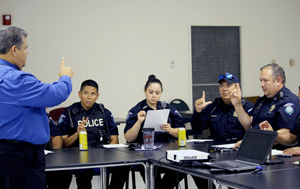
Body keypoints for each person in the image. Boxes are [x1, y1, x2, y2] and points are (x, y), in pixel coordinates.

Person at [0, 26, 73, 189]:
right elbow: (55, 94)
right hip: (20, 157)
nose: (27, 53)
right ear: (14, 50)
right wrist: (65, 77)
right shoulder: (16, 79)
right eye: (25, 48)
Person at [57, 79, 128, 189]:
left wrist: (107, 153)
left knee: (123, 166)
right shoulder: (69, 113)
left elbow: (114, 139)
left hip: (101, 155)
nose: (89, 97)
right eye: (86, 93)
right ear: (80, 94)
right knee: (84, 171)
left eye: (93, 94)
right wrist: (77, 134)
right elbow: (62, 144)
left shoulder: (104, 113)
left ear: (97, 96)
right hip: (78, 157)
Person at [124, 74, 186, 189]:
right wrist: (138, 122)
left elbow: (182, 132)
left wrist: (170, 130)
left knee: (184, 166)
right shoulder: (137, 110)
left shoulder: (167, 108)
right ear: (144, 91)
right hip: (144, 155)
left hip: (166, 152)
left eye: (157, 93)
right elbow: (129, 138)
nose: (154, 96)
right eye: (151, 92)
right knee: (152, 174)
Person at [232, 63, 300, 150]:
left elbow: (288, 134)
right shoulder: (262, 100)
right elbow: (249, 125)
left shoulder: (288, 102)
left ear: (278, 81)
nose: (261, 84)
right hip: (257, 148)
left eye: (265, 80)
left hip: (277, 152)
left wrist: (253, 141)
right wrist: (237, 105)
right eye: (261, 81)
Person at [191, 73, 253, 144]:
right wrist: (198, 110)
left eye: (229, 85)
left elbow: (253, 130)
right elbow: (197, 128)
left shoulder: (246, 106)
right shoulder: (213, 107)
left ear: (236, 87)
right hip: (215, 146)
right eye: (221, 86)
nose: (224, 89)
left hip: (236, 146)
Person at [45, 113, 72, 189]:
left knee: (63, 174)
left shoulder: (43, 115)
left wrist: (55, 152)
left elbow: (56, 135)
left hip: (44, 156)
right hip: (22, 155)